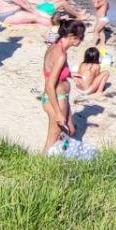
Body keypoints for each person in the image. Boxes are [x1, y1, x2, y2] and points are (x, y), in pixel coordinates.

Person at [42, 19, 85, 152]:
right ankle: (42, 165)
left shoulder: (56, 45)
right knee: (52, 139)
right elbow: (50, 85)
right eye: (81, 37)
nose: (82, 40)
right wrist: (58, 113)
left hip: (60, 97)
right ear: (72, 37)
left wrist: (70, 74)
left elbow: (52, 70)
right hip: (55, 98)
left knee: (70, 131)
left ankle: (59, 156)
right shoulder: (60, 55)